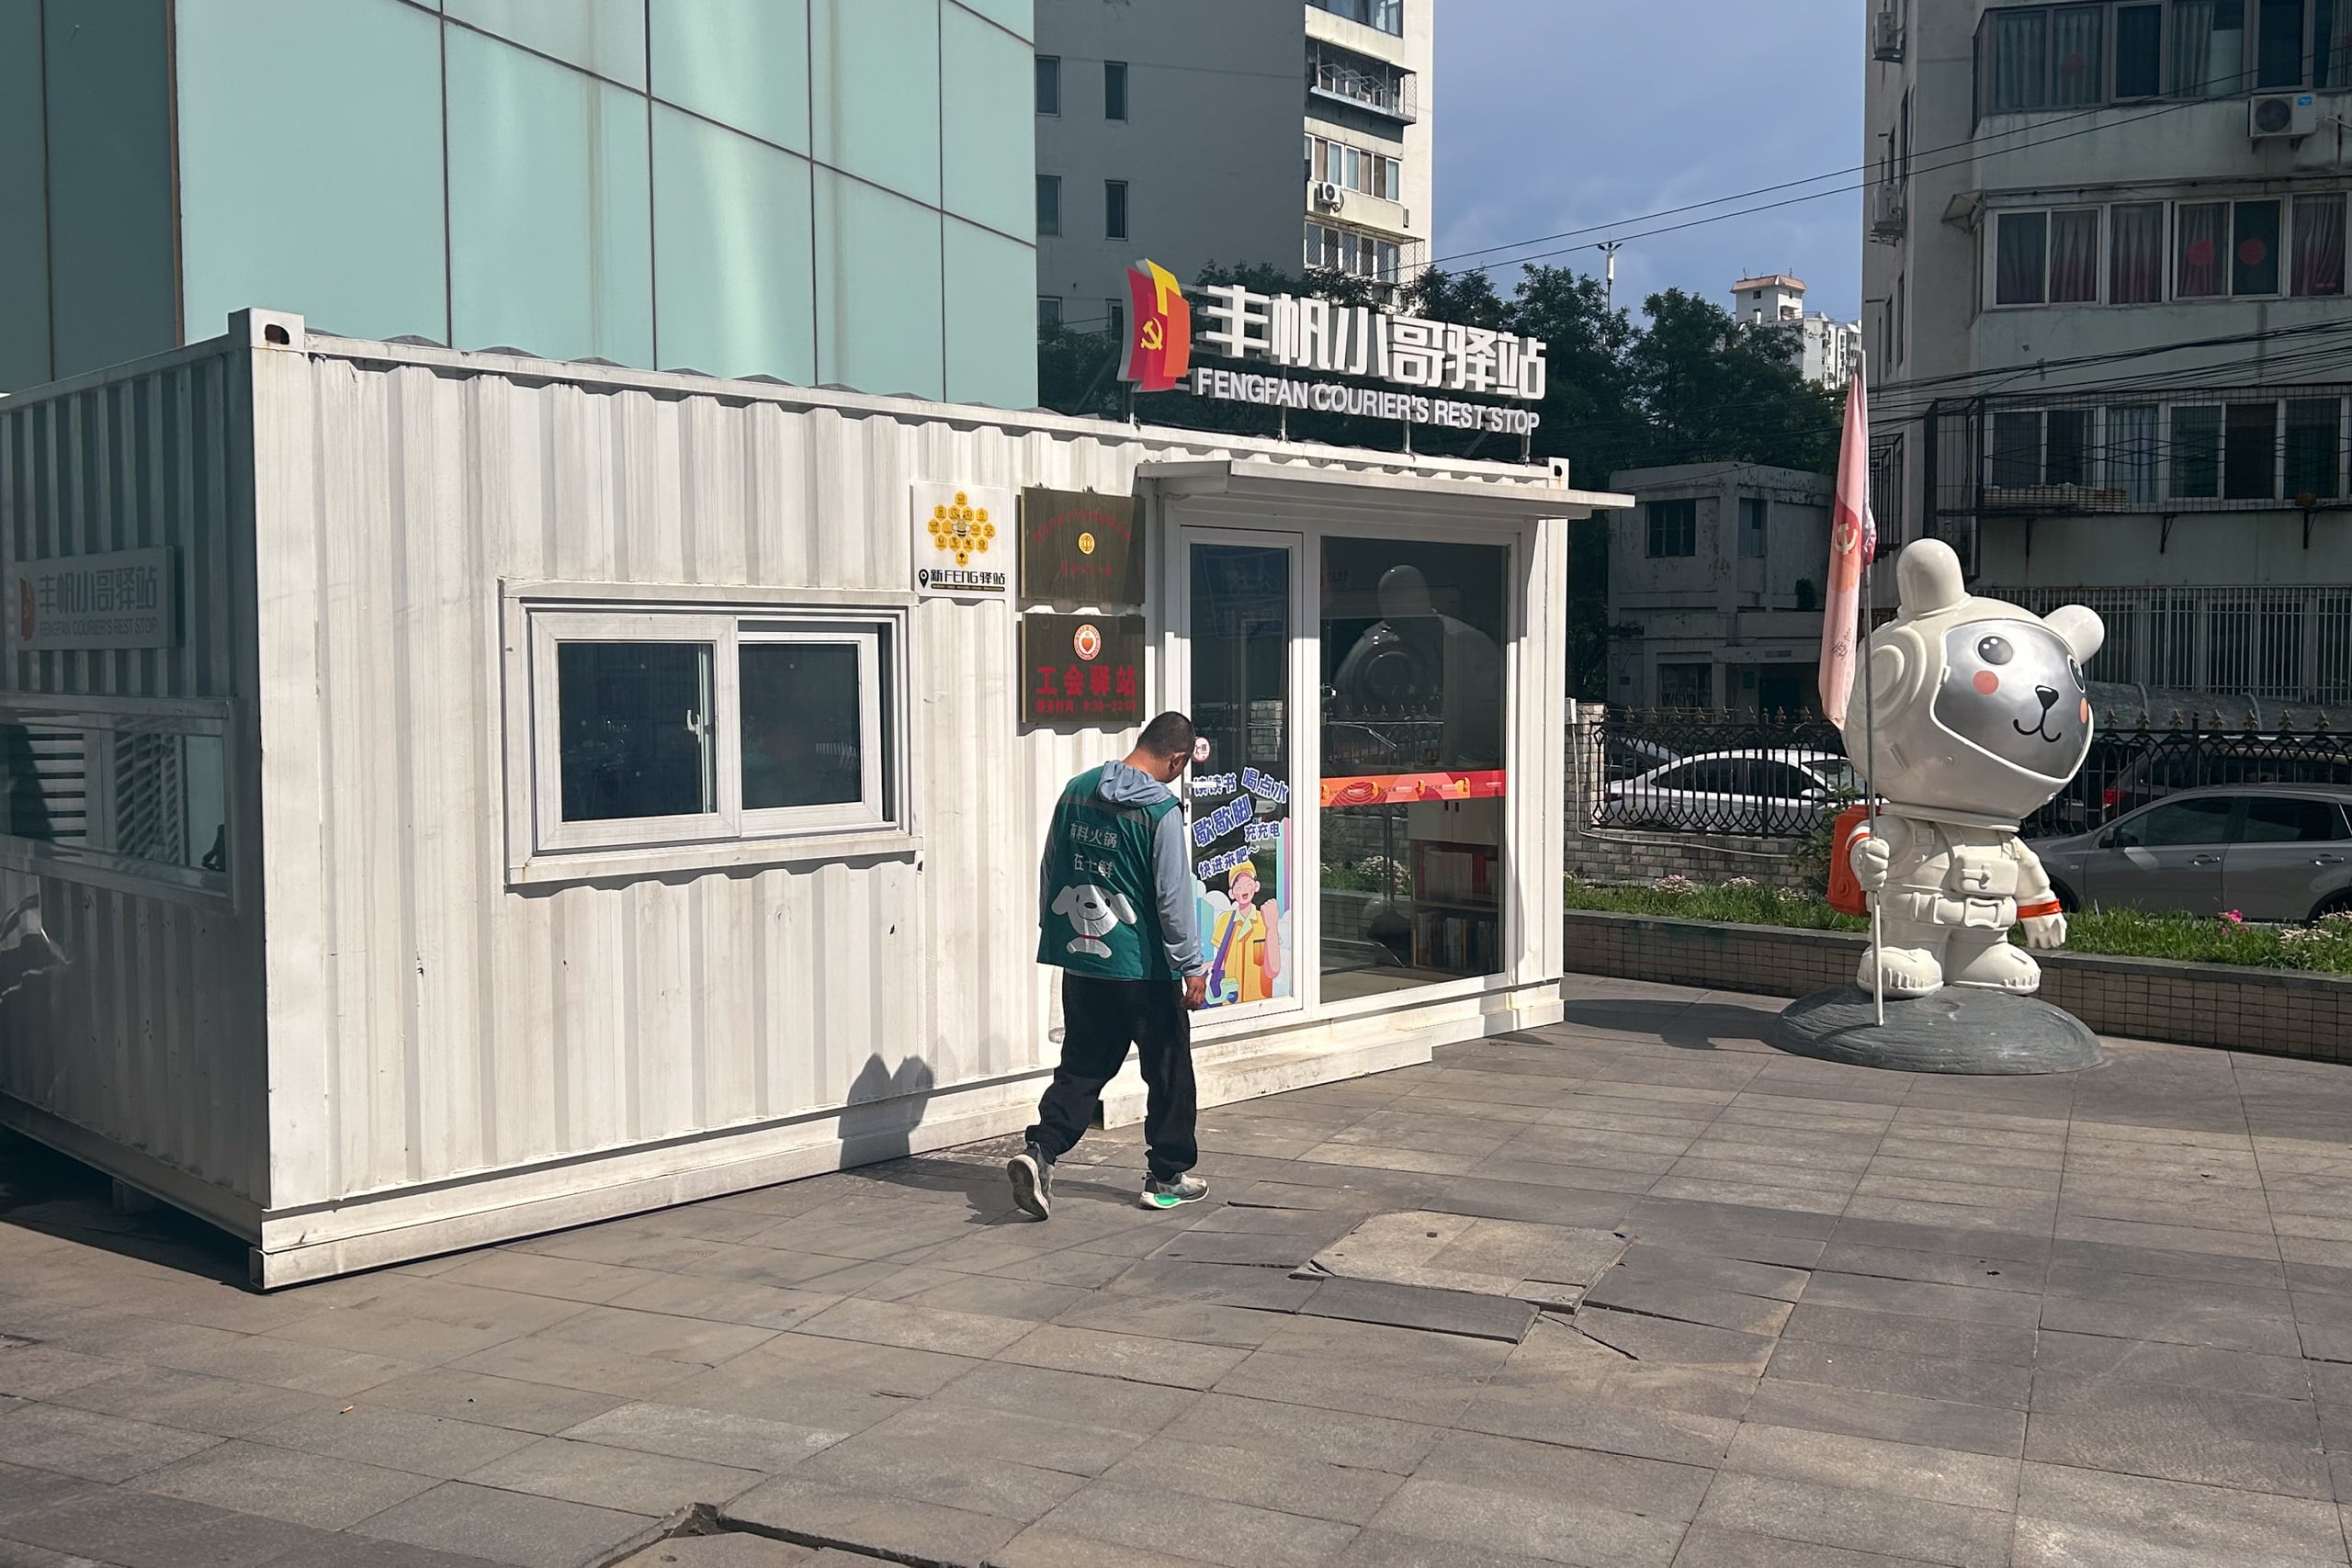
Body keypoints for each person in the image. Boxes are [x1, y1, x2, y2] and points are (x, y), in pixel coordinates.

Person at [1010, 711, 1210, 1218]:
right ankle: (1165, 1177)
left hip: (1082, 961)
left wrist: (1053, 930)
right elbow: (1172, 897)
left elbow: (1052, 867)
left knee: (1082, 1067)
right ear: (1178, 758)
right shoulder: (1161, 811)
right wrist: (1192, 964)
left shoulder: (1076, 790)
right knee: (1168, 1072)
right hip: (1142, 969)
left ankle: (1041, 1151)